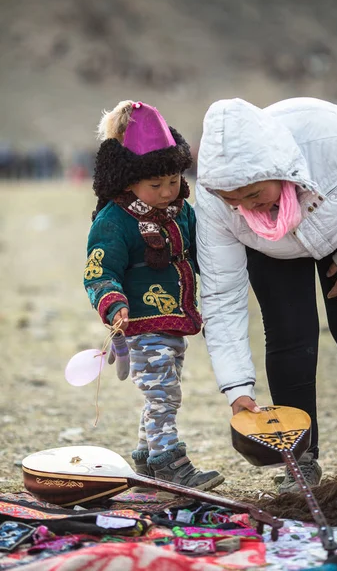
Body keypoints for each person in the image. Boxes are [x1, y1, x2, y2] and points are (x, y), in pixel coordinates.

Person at [195, 96, 337, 493]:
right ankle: (301, 458)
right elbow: (222, 295)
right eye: (232, 199)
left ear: (280, 170)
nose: (244, 207)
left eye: (254, 195)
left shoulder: (330, 134)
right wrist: (237, 388)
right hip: (272, 252)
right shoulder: (216, 201)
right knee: (290, 338)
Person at [84, 100, 224, 492]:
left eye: (173, 181)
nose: (167, 192)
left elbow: (202, 253)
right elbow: (99, 271)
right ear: (129, 181)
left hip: (175, 322)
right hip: (140, 324)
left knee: (161, 391)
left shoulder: (183, 212)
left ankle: (146, 459)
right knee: (163, 394)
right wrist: (114, 303)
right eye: (155, 185)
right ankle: (169, 462)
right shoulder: (114, 220)